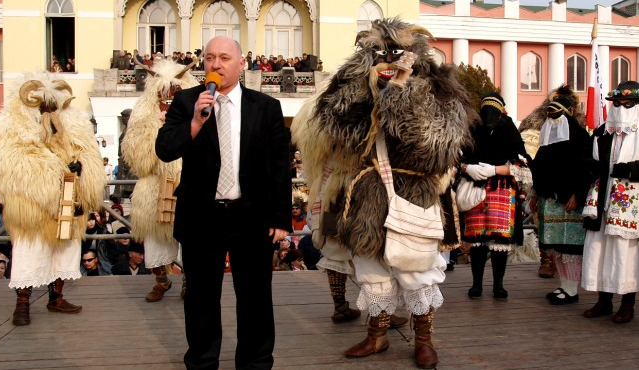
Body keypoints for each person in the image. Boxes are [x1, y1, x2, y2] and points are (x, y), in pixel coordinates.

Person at [291, 18, 472, 369]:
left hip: (413, 192)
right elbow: (336, 130)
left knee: (417, 270)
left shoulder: (438, 90)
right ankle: (377, 336)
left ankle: (423, 339)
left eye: (396, 53)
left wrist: (404, 95)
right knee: (371, 269)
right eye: (378, 54)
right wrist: (363, 87)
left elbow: (437, 149)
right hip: (366, 197)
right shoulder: (359, 87)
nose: (387, 60)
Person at [155, 35, 291, 370]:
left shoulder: (266, 107)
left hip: (252, 216)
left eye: (225, 58)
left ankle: (256, 362)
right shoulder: (187, 102)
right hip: (202, 216)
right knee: (201, 298)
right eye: (210, 57)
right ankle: (202, 362)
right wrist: (196, 122)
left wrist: (280, 218)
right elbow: (165, 149)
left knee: (256, 297)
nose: (216, 64)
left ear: (241, 63)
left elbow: (278, 168)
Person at [0, 75, 105, 326]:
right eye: (44, 107)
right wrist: (57, 172)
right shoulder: (14, 130)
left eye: (53, 106)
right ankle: (22, 303)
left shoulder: (72, 128)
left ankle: (56, 297)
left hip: (69, 202)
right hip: (34, 207)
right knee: (30, 252)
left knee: (64, 250)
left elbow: (87, 154)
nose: (49, 112)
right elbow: (14, 165)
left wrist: (80, 169)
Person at [581, 80, 639, 324]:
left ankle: (628, 303)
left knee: (626, 253)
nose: (622, 108)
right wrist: (595, 168)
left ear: (637, 105)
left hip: (630, 203)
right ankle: (604, 299)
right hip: (602, 201)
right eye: (617, 103)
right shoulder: (601, 132)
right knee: (600, 250)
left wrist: (631, 169)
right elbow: (586, 161)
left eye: (628, 103)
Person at [123, 58, 199, 302]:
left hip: (188, 182)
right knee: (155, 236)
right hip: (154, 184)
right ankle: (161, 279)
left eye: (175, 90)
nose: (169, 94)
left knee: (190, 236)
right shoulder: (143, 114)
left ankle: (190, 280)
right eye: (165, 91)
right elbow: (136, 155)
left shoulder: (197, 110)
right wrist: (158, 131)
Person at [461, 93, 531, 300]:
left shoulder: (509, 131)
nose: (489, 116)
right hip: (475, 191)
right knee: (477, 241)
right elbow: (458, 159)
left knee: (500, 240)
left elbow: (523, 164)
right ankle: (477, 284)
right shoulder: (473, 130)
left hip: (502, 190)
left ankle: (498, 285)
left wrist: (495, 170)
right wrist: (468, 168)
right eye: (485, 112)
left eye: (493, 111)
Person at [528, 86, 591, 305]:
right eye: (550, 115)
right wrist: (535, 194)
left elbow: (585, 171)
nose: (553, 119)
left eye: (557, 114)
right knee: (556, 246)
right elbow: (539, 168)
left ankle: (571, 290)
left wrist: (578, 195)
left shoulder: (580, 138)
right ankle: (564, 286)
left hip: (568, 201)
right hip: (549, 199)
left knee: (569, 247)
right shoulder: (547, 140)